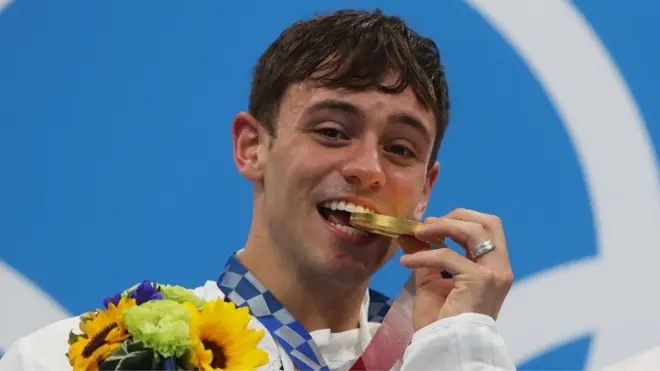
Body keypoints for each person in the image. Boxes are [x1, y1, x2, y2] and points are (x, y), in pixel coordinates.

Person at [0, 9, 517, 370]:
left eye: (401, 149)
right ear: (252, 148)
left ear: (426, 190)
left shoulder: (454, 354)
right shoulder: (81, 359)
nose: (368, 169)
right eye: (333, 132)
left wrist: (459, 346)